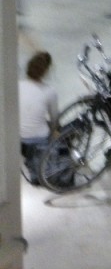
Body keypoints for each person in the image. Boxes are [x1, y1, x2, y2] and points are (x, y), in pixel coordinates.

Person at [19, 51, 58, 183]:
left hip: (18, 139)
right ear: (45, 71)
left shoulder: (17, 86)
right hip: (39, 139)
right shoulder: (49, 91)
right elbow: (54, 120)